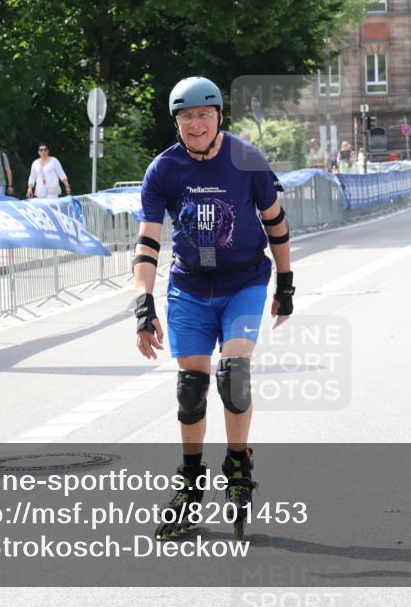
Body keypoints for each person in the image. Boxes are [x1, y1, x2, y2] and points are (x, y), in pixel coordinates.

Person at [133, 77, 294, 541]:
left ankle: (238, 461)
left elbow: (276, 226)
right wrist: (144, 306)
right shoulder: (163, 170)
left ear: (219, 116)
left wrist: (286, 284)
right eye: (187, 117)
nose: (196, 124)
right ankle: (189, 482)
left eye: (204, 114)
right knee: (190, 388)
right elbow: (147, 243)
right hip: (188, 284)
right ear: (177, 122)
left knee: (234, 373)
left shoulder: (246, 159)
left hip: (243, 279)